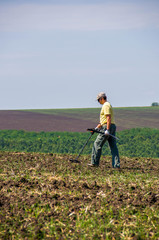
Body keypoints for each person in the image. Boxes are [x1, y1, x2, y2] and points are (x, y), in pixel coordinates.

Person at [88, 92, 120, 168]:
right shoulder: (107, 105)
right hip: (111, 126)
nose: (98, 102)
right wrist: (96, 128)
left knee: (97, 144)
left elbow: (108, 118)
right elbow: (103, 120)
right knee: (113, 146)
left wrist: (107, 130)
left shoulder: (106, 105)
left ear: (102, 98)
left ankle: (94, 163)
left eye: (99, 100)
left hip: (107, 127)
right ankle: (116, 165)